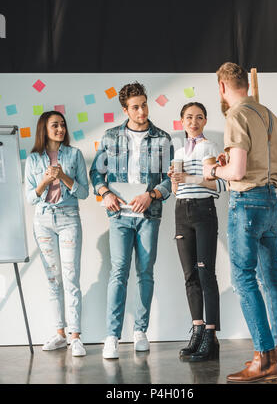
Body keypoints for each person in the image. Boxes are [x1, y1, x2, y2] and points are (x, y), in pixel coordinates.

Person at [203, 62, 277, 383]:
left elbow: (237, 172)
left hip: (247, 203)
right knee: (270, 279)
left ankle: (263, 358)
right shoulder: (268, 114)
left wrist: (213, 170)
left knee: (243, 279)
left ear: (223, 87)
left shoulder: (236, 116)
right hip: (271, 202)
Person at [90, 82, 174, 359]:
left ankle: (140, 331)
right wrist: (104, 193)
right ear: (125, 109)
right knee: (118, 273)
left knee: (146, 273)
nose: (142, 111)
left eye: (144, 105)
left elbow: (168, 181)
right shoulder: (110, 137)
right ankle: (112, 336)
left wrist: (151, 195)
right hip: (119, 216)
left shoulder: (162, 139)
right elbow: (96, 174)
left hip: (148, 216)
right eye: (135, 107)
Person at [25, 111, 89, 357]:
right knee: (53, 280)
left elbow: (83, 192)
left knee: (71, 278)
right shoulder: (33, 159)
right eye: (55, 125)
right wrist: (44, 182)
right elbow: (31, 197)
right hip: (42, 221)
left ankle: (75, 337)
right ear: (44, 128)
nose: (60, 129)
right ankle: (60, 333)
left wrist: (63, 176)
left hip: (68, 218)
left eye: (63, 124)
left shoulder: (74, 155)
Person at [168, 102, 226, 362]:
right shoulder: (178, 151)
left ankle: (211, 337)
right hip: (182, 211)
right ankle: (197, 328)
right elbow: (176, 190)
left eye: (199, 117)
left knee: (205, 273)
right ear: (181, 121)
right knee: (190, 275)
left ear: (204, 121)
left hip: (203, 211)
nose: (194, 121)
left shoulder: (208, 147)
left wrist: (188, 179)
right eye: (189, 117)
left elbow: (213, 184)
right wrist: (173, 180)